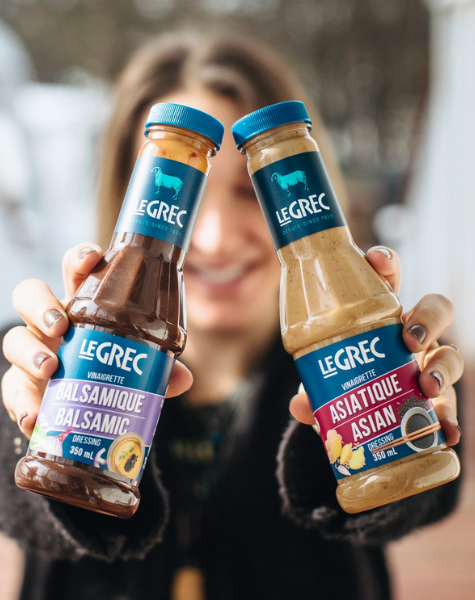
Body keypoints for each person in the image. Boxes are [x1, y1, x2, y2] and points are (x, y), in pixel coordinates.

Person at [0, 31, 463, 600]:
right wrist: (35, 423)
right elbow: (20, 502)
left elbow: (420, 499)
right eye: (187, 197)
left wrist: (377, 438)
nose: (216, 239)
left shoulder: (382, 351)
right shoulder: (47, 357)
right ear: (129, 194)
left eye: (251, 192)